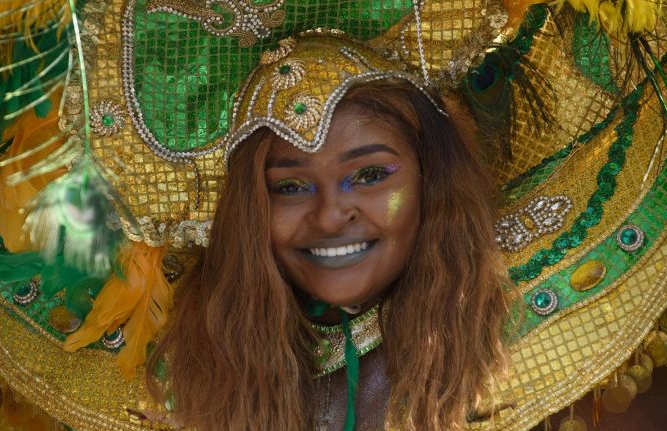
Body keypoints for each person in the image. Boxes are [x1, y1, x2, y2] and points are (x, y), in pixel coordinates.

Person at [149, 33, 512, 431]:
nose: (329, 217)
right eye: (290, 187)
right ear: (247, 212)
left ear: (433, 182)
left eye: (369, 176)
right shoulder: (174, 372)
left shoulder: (534, 356)